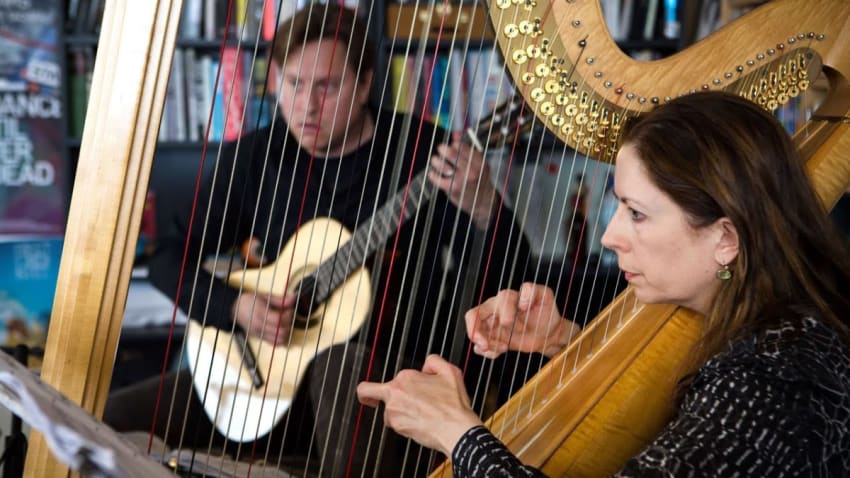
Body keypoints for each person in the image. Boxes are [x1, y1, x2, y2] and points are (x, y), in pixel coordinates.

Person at [103, 4, 529, 477]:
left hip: (381, 380)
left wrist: (485, 204)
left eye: (326, 86)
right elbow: (166, 260)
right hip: (257, 371)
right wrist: (237, 308)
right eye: (292, 84)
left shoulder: (424, 152)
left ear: (365, 83)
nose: (306, 106)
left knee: (339, 362)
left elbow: (507, 276)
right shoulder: (256, 156)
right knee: (103, 420)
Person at [357, 91, 850, 476]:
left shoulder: (781, 378)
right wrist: (564, 341)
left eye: (637, 214)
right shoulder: (769, 329)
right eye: (618, 206)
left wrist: (455, 431)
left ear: (726, 239)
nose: (611, 235)